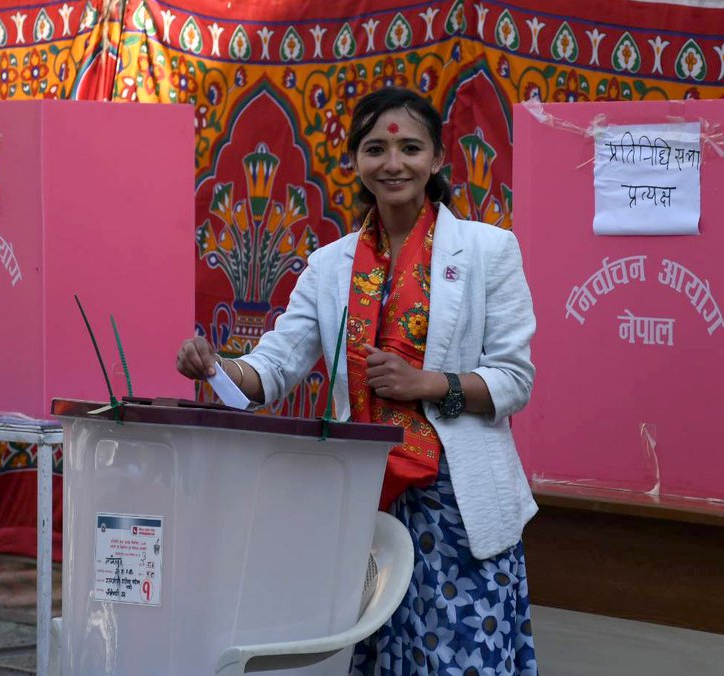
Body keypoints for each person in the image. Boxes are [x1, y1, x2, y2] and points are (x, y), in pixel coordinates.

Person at [176, 86, 539, 674]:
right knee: (374, 655)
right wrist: (218, 367)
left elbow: (514, 380)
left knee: (461, 657)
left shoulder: (487, 251)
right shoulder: (329, 265)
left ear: (437, 160)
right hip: (367, 494)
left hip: (459, 501)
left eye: (410, 149)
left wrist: (428, 383)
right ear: (354, 162)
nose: (393, 163)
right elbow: (273, 368)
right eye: (376, 149)